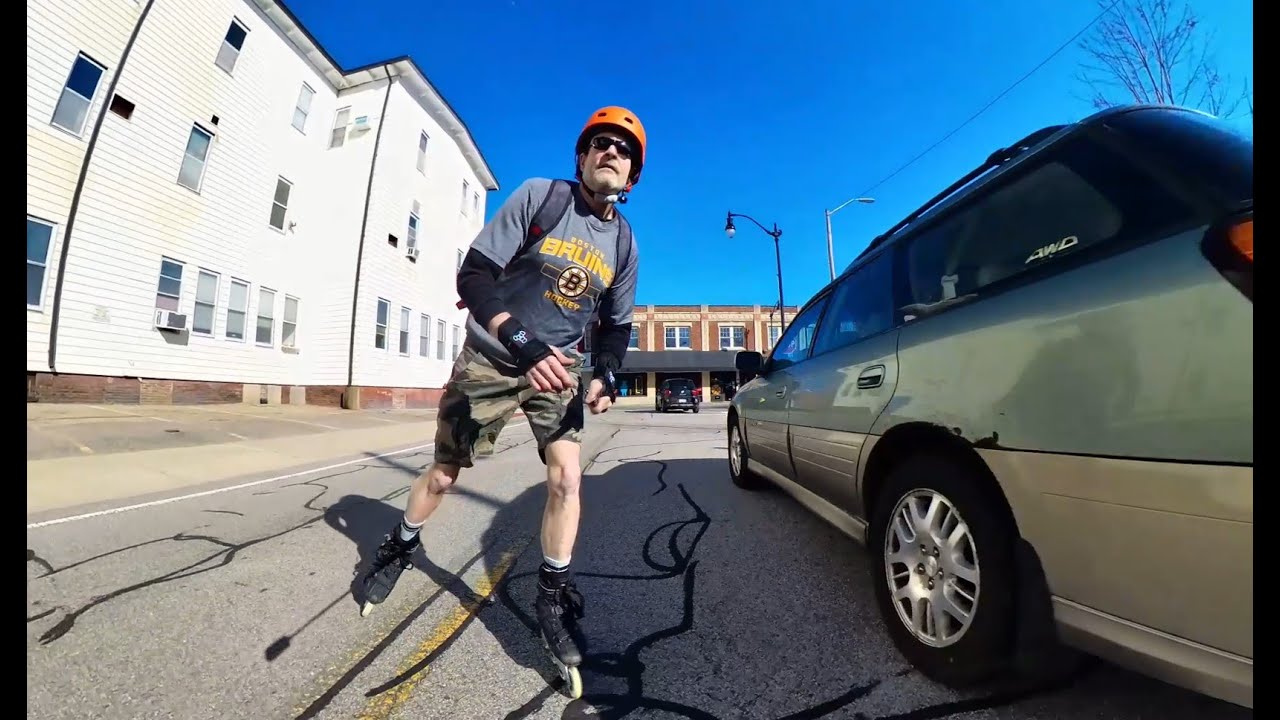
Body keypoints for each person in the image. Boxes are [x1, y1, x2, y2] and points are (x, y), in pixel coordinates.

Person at [357, 106, 645, 693]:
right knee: (442, 476)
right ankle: (400, 544)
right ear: (582, 158)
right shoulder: (542, 197)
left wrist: (608, 373)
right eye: (599, 144)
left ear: (633, 176)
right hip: (492, 356)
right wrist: (522, 340)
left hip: (557, 370)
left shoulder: (623, 241)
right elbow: (474, 275)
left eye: (622, 149)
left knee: (568, 478)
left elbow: (615, 326)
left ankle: (550, 593)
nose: (609, 152)